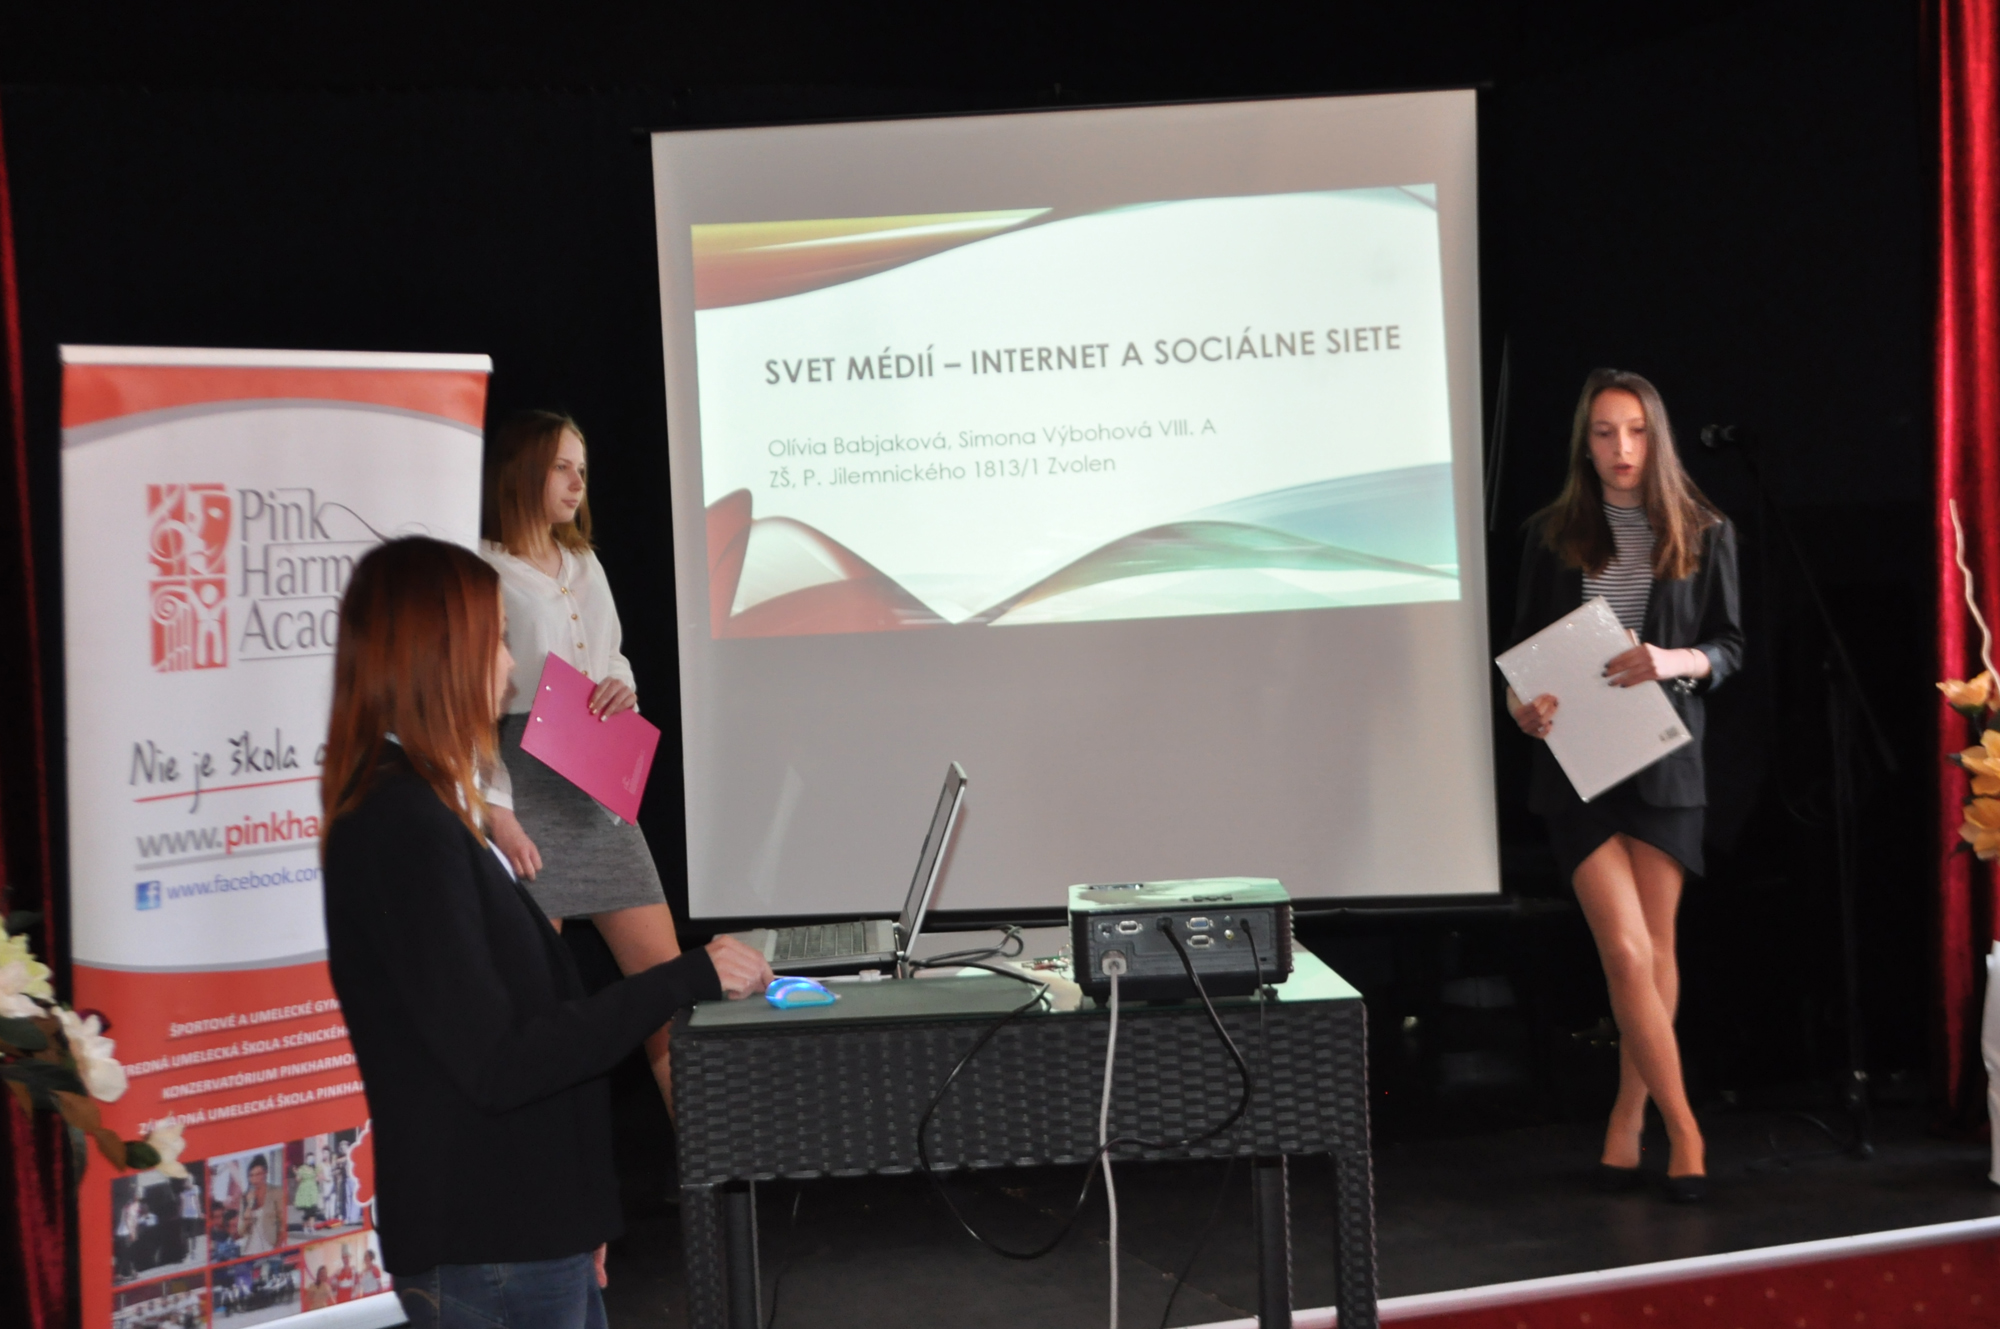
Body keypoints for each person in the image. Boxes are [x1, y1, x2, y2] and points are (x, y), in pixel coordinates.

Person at [320, 537, 772, 1329]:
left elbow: (520, 1027)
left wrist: (577, 1211)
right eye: (496, 639)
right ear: (439, 655)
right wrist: (685, 975)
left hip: (527, 1233)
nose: (509, 667)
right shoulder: (400, 826)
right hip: (493, 1243)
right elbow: (502, 1060)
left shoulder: (423, 811)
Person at [1505, 369, 1743, 1203]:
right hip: (1577, 764)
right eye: (1605, 432)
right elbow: (1521, 654)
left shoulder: (1705, 530)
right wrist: (1523, 707)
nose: (1621, 448)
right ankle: (1686, 1128)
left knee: (1658, 951)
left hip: (1664, 759)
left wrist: (1673, 659)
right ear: (1586, 442)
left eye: (1635, 430)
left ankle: (1626, 1120)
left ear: (1657, 436)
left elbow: (1730, 647)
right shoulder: (1551, 534)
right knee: (1626, 951)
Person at [477, 411, 689, 1111]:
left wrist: (622, 685)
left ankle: (710, 1163)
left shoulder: (585, 563)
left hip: (596, 790)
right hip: (525, 787)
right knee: (536, 1012)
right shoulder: (483, 567)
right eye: (562, 467)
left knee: (670, 996)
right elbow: (470, 706)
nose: (577, 483)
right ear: (523, 470)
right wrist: (498, 812)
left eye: (583, 471)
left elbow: (610, 655)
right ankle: (543, 1169)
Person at [236, 1157, 285, 1254]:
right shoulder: (246, 1197)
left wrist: (277, 1247)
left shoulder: (276, 1192)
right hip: (249, 1250)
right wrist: (249, 1206)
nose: (255, 1179)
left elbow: (282, 1223)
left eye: (258, 1174)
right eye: (251, 1175)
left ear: (265, 1173)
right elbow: (241, 1231)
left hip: (270, 1247)